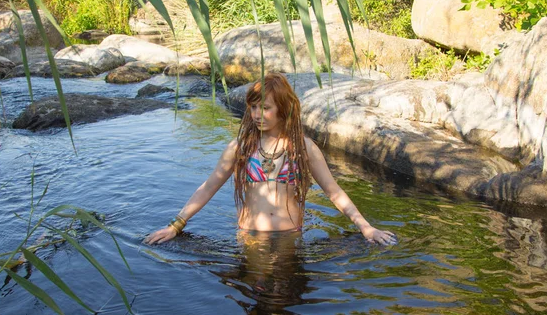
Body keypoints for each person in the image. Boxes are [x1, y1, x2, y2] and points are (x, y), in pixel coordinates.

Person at [145, 72, 396, 245]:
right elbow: (208, 187)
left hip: (290, 238)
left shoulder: (303, 148)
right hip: (249, 237)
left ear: (283, 109)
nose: (257, 114)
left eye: (265, 108)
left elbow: (333, 191)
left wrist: (366, 227)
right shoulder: (240, 147)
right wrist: (176, 225)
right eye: (253, 107)